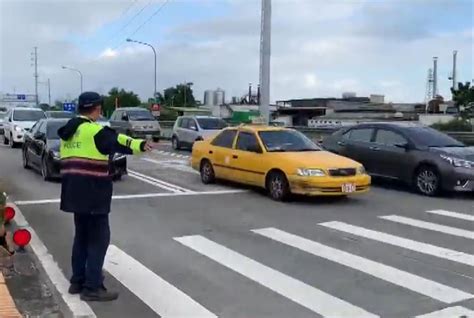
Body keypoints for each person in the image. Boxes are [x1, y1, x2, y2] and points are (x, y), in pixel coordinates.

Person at [58, 92, 152, 302]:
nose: (100, 111)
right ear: (96, 109)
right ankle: (92, 287)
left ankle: (77, 281)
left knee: (81, 238)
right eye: (100, 108)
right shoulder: (94, 131)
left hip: (73, 194)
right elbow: (119, 140)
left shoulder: (69, 132)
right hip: (94, 194)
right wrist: (141, 145)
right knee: (99, 240)